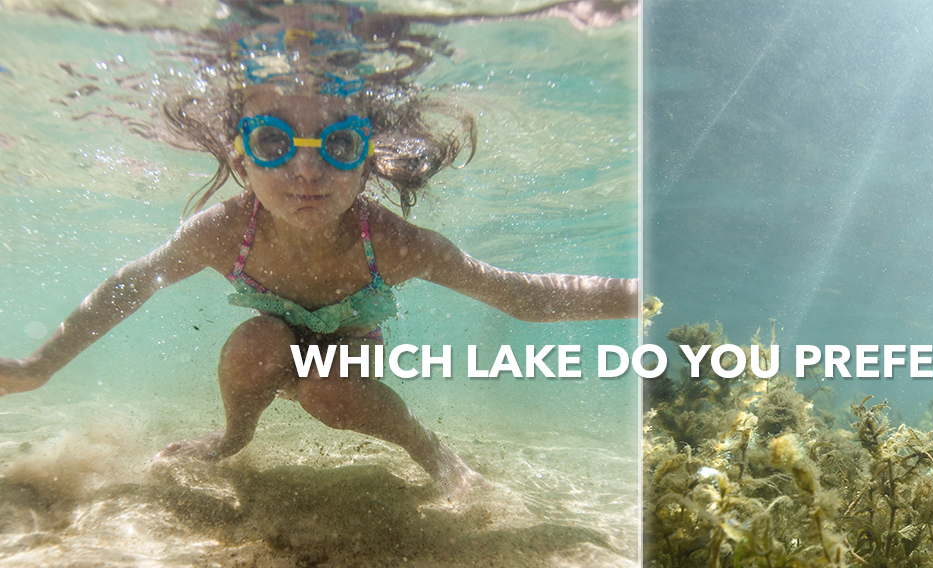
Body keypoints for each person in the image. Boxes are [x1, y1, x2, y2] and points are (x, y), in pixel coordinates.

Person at [0, 68, 637, 491]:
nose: (307, 169)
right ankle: (232, 438)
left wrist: (646, 295)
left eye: (338, 143)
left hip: (349, 348)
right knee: (255, 345)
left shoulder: (392, 243)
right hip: (268, 340)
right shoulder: (221, 231)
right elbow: (130, 285)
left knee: (329, 392)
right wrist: (40, 366)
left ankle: (427, 449)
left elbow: (519, 295)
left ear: (368, 160)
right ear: (240, 158)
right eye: (275, 140)